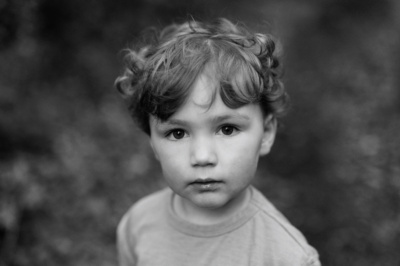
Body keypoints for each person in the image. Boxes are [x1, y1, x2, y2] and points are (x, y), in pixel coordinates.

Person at [114, 18, 320, 266]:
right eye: (178, 133)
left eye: (227, 128)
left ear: (265, 133)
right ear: (152, 142)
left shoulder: (287, 257)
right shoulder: (138, 225)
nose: (202, 156)